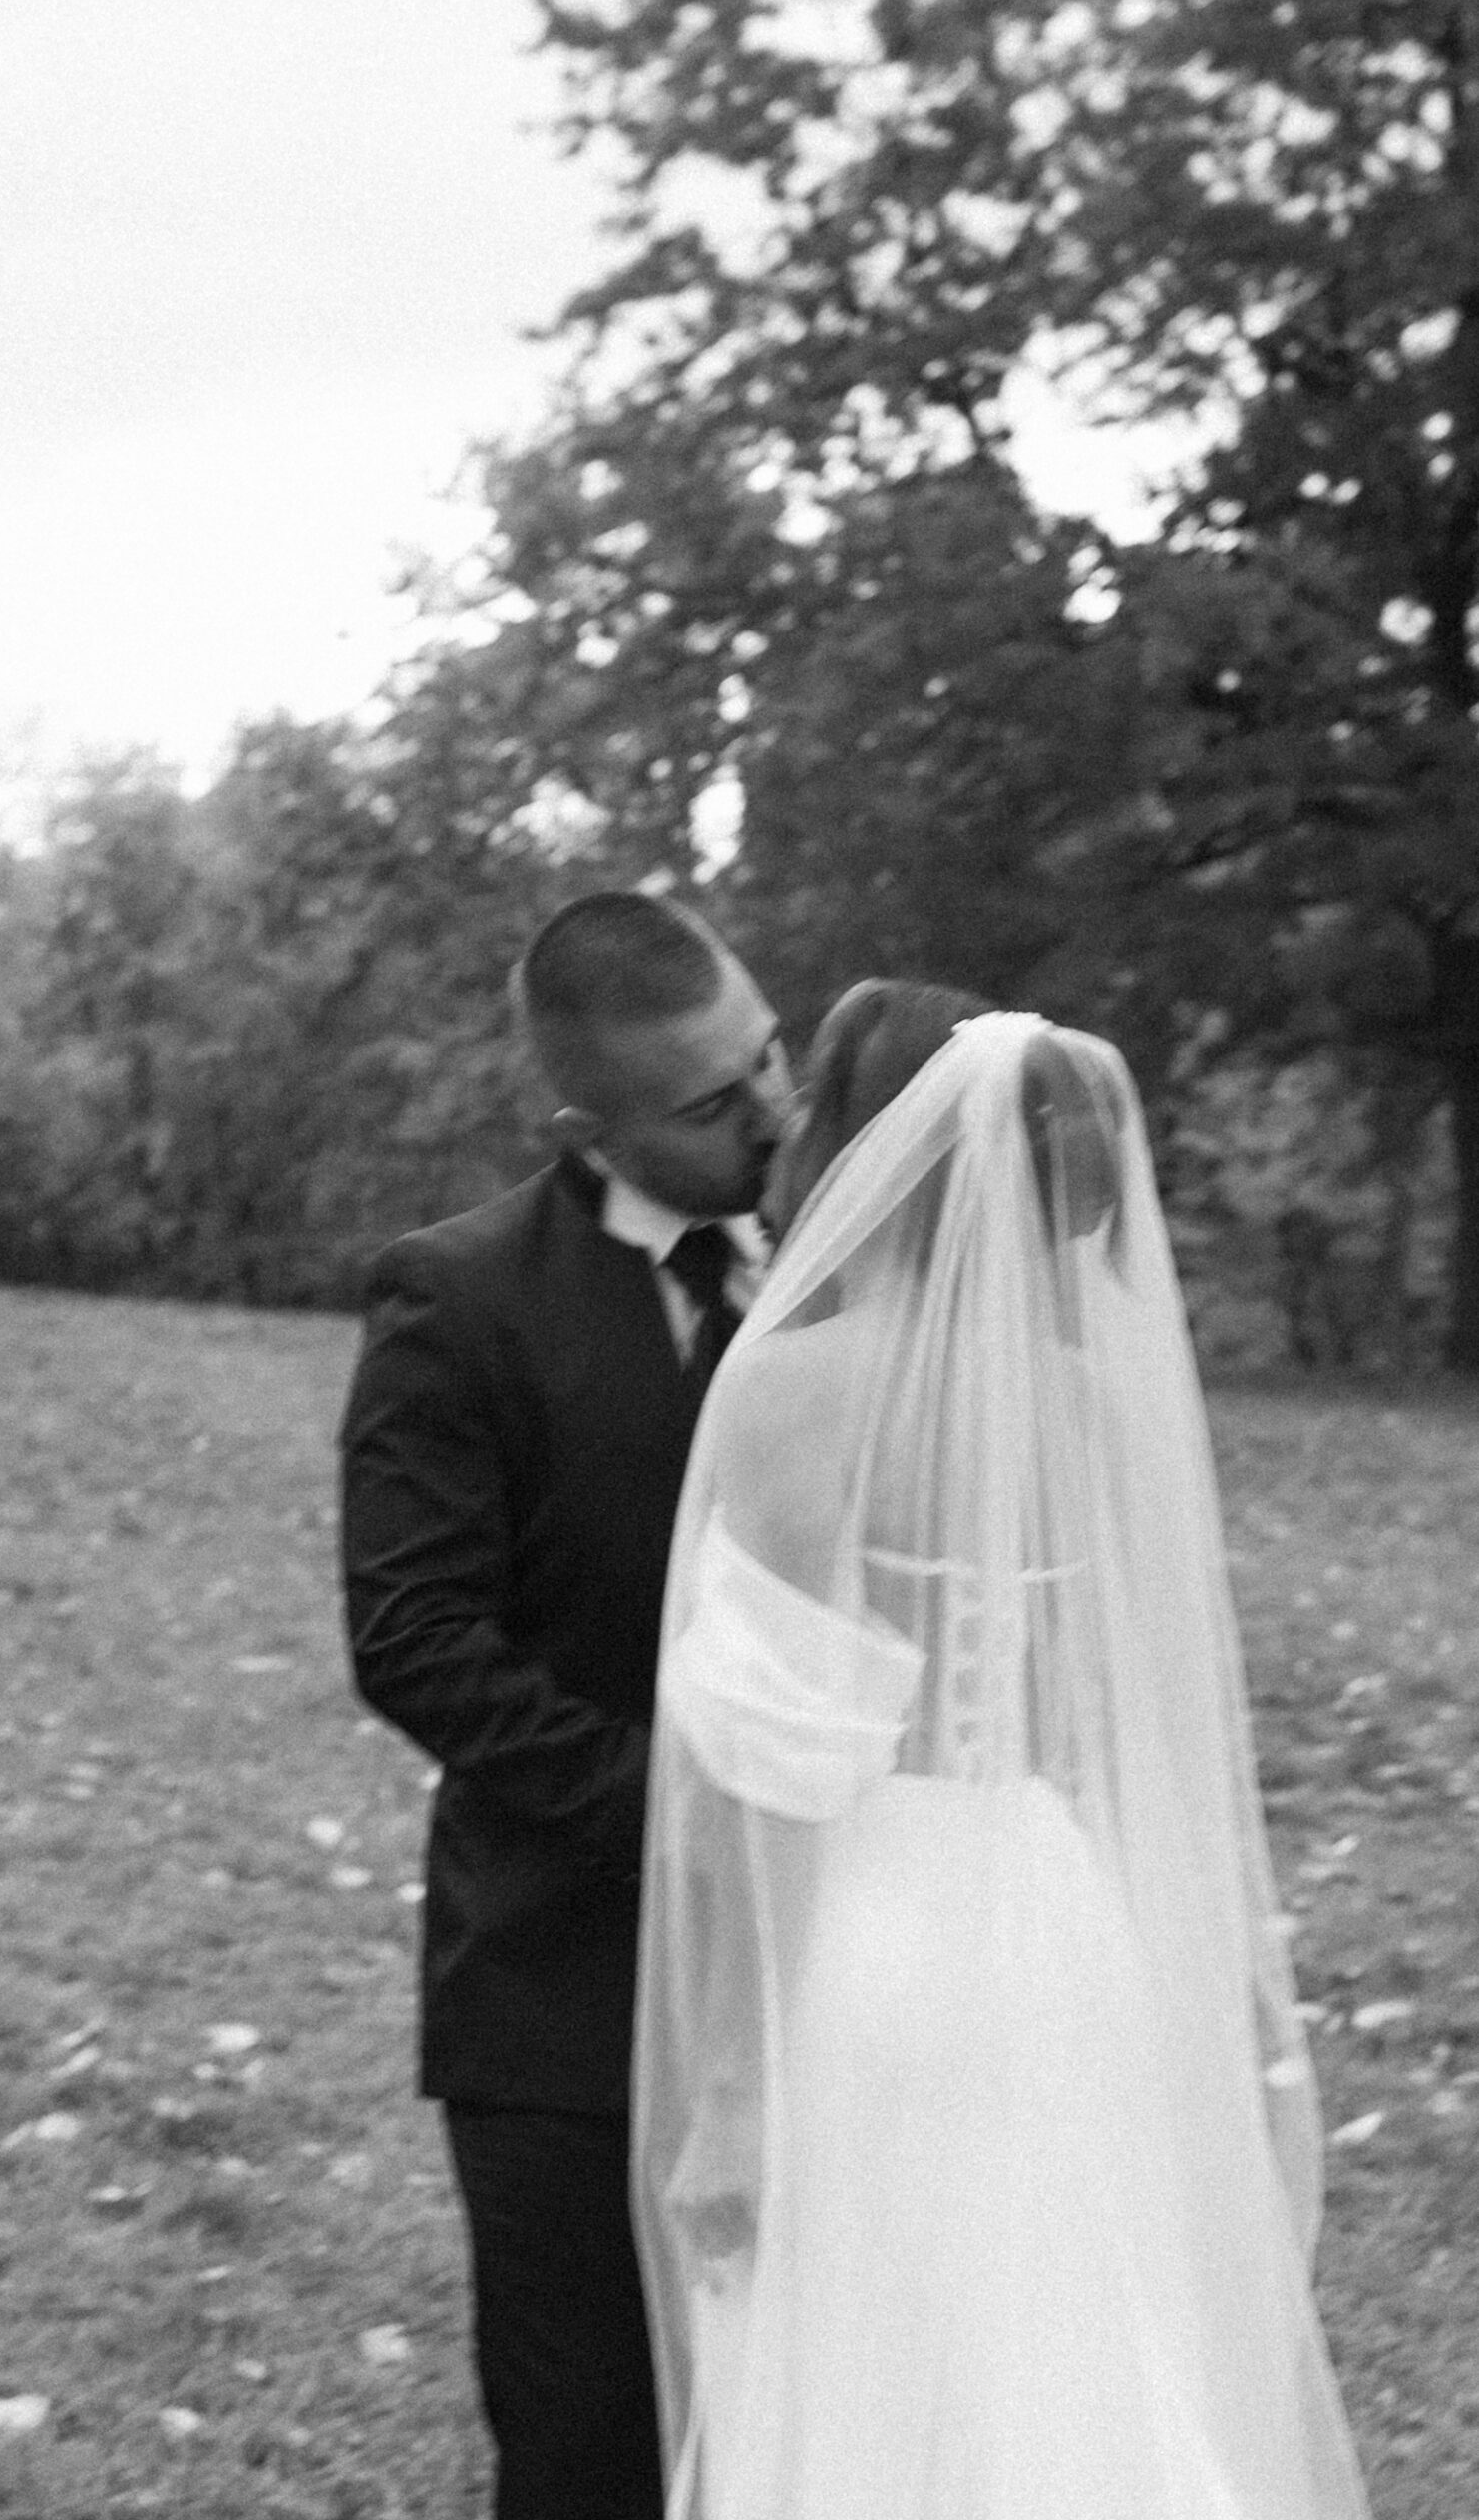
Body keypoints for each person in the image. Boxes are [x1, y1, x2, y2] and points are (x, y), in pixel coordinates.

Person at [633, 983, 1373, 2520]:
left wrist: (733, 2092)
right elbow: (1126, 1735)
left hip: (876, 1941)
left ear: (860, 1145)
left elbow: (779, 1768)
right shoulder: (1100, 1397)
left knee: (871, 2359)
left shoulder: (793, 1388)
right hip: (1058, 1923)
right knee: (1057, 2351)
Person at [340, 890, 793, 2520]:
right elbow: (414, 1638)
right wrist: (682, 1821)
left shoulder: (841, 1263)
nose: (772, 1115)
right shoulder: (455, 1301)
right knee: (589, 2452)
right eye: (709, 1102)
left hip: (827, 1994)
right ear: (581, 1124)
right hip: (564, 1995)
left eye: (769, 1057)